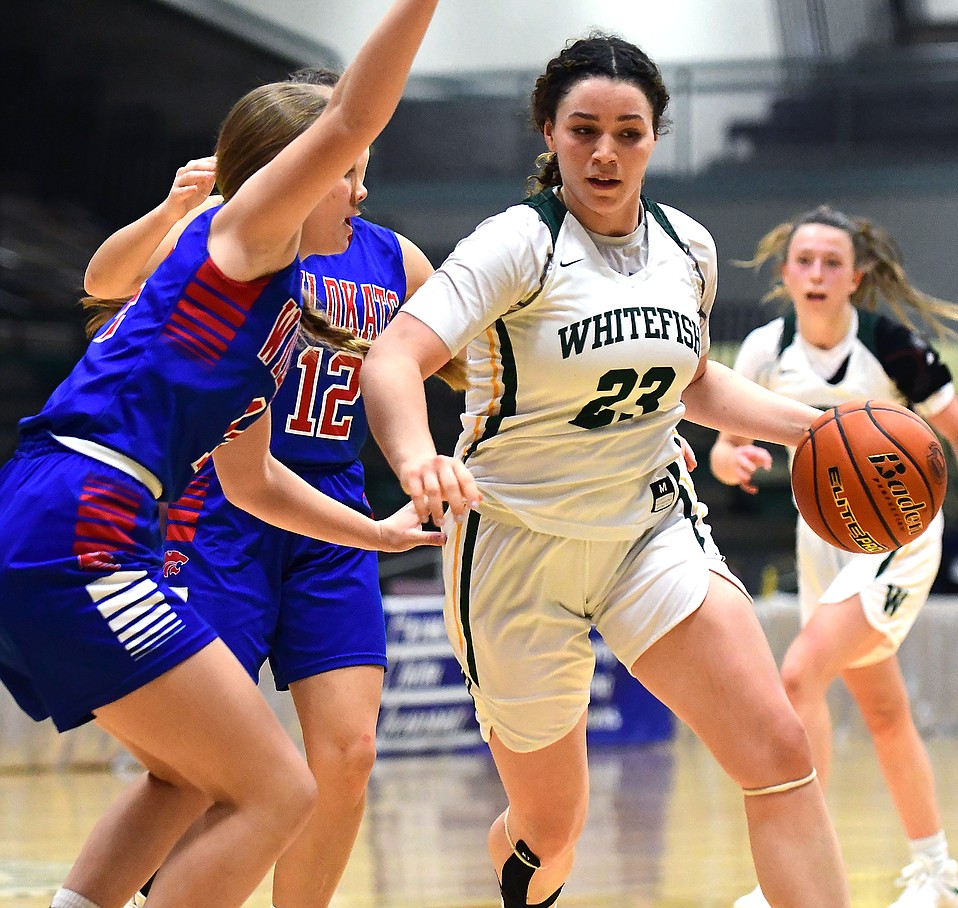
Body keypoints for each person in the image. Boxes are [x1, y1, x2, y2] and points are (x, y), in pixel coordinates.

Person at [360, 34, 851, 908]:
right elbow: (394, 357)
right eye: (583, 129)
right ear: (549, 133)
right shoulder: (517, 244)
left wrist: (807, 428)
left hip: (647, 529)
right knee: (552, 831)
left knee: (778, 752)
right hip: (517, 545)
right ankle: (523, 865)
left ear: (655, 138)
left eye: (628, 131)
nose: (605, 151)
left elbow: (690, 378)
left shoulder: (686, 247)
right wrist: (415, 459)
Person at [0, 3, 444, 906]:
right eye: (343, 173)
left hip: (65, 515)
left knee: (186, 779)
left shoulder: (262, 307)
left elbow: (255, 481)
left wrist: (380, 536)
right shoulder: (238, 238)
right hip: (85, 518)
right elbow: (354, 113)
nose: (359, 191)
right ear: (290, 172)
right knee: (278, 791)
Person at [710, 205, 958, 908]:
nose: (818, 273)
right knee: (885, 713)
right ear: (787, 273)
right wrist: (728, 453)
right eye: (805, 261)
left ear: (856, 277)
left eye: (833, 262)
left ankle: (794, 879)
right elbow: (724, 434)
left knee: (797, 676)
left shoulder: (892, 346)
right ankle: (939, 874)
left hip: (897, 540)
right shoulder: (767, 350)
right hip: (821, 542)